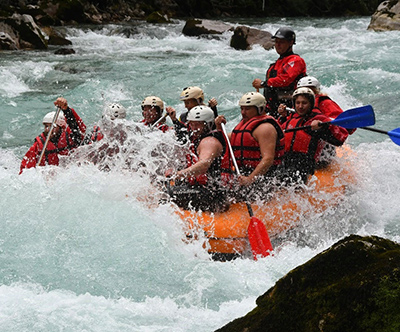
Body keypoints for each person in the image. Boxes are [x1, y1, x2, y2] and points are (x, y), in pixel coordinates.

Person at [216, 92, 285, 202]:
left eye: (247, 109)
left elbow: (268, 159)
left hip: (265, 178)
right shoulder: (245, 124)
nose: (243, 112)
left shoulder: (265, 128)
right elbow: (232, 138)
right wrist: (219, 128)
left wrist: (250, 179)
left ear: (260, 109)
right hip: (245, 174)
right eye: (242, 109)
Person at [164, 105, 229, 213]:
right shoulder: (197, 137)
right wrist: (174, 120)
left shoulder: (210, 141)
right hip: (202, 188)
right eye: (192, 124)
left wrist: (178, 174)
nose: (194, 128)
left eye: (198, 124)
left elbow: (203, 165)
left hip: (214, 194)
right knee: (167, 184)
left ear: (208, 124)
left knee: (167, 194)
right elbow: (182, 133)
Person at [277, 87, 349, 184]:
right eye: (298, 103)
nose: (300, 106)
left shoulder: (319, 118)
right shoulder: (291, 117)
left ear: (311, 104)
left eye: (304, 103)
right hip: (284, 160)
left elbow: (339, 139)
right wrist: (282, 118)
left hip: (303, 163)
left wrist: (323, 128)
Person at [20, 97, 86, 174]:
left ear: (61, 127)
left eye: (52, 127)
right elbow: (25, 169)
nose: (48, 129)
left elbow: (76, 126)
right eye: (46, 126)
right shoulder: (38, 145)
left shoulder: (72, 136)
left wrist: (66, 110)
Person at [252, 27, 307, 118]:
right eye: (276, 42)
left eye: (281, 42)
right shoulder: (276, 63)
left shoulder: (295, 60)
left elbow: (285, 80)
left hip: (288, 107)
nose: (278, 45)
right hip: (274, 107)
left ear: (290, 43)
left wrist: (263, 83)